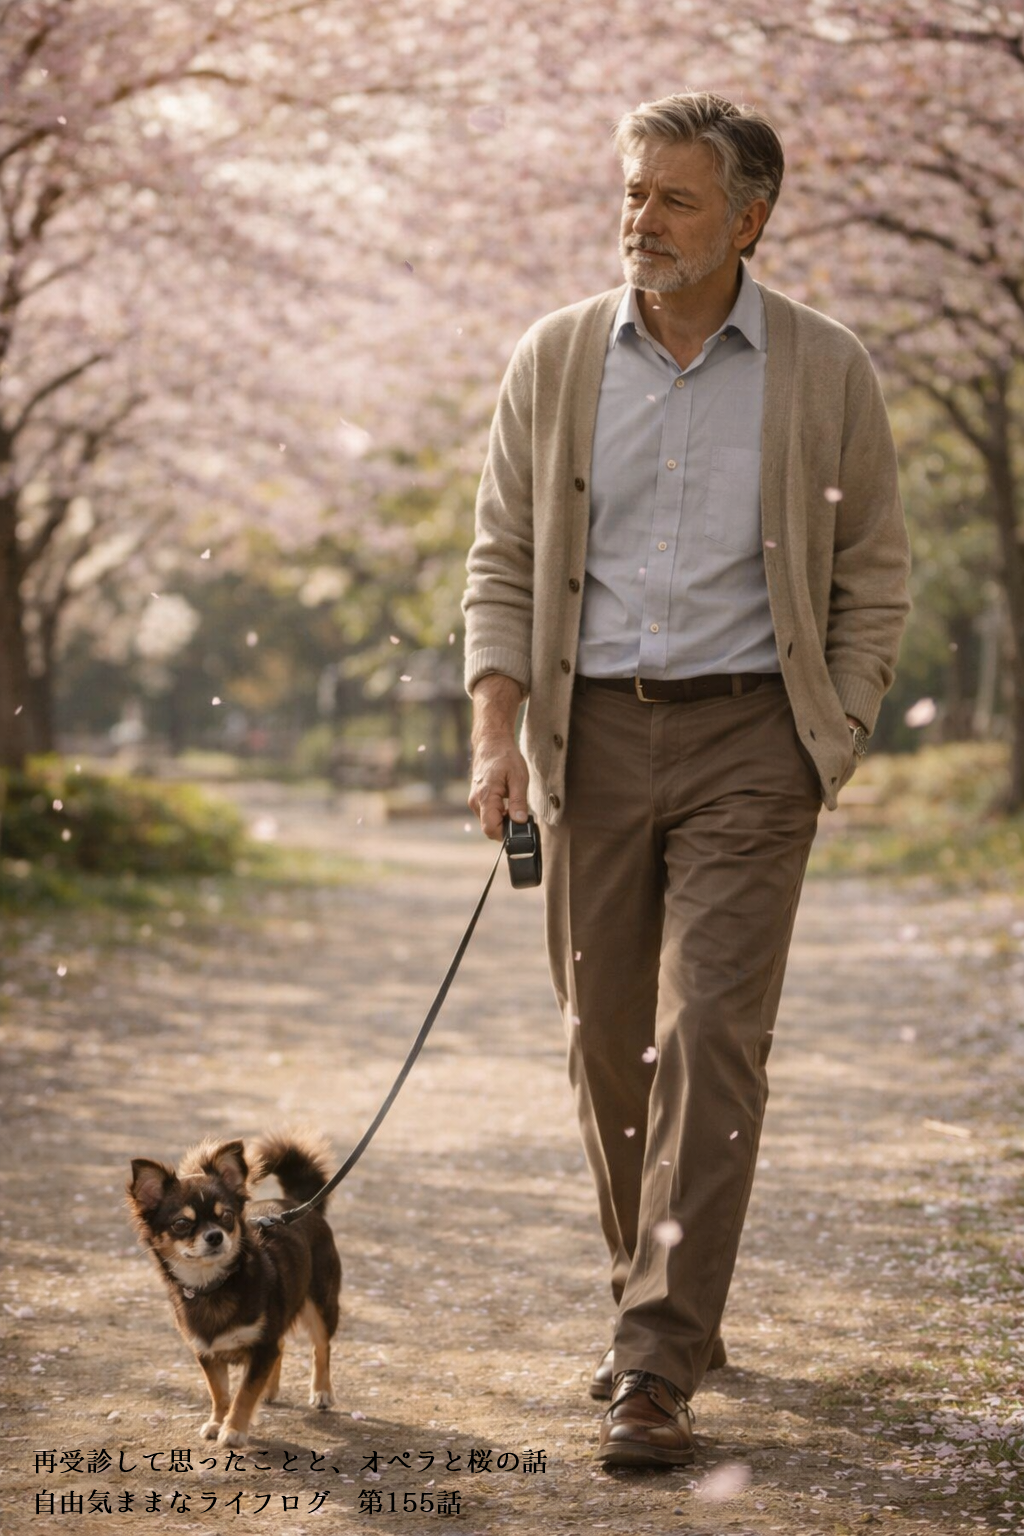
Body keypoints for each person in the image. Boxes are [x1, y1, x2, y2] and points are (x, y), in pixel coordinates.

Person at [463, 91, 910, 1469]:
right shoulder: (553, 359)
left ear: (749, 218)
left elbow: (874, 574)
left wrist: (826, 733)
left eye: (673, 198)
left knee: (710, 1032)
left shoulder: (825, 370)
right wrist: (496, 732)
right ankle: (662, 1303)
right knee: (609, 1043)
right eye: (633, 193)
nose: (639, 220)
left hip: (749, 743)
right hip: (588, 741)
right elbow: (499, 561)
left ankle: (652, 1361)